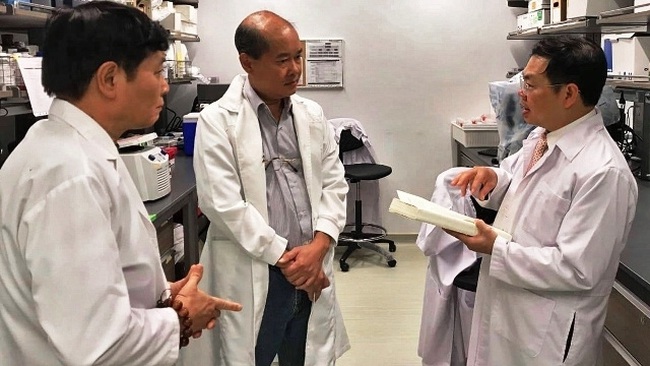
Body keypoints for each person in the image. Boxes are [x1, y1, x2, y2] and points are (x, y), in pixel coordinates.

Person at [0, 2, 241, 365]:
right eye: (158, 71)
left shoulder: (64, 147)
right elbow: (99, 345)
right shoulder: (68, 175)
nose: (164, 86)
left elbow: (84, 294)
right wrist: (182, 318)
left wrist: (160, 296)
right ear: (110, 79)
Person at [447, 36, 638, 366]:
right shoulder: (543, 136)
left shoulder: (602, 171)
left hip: (548, 335)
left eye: (530, 84)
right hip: (511, 311)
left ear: (568, 94)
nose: (521, 92)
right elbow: (516, 177)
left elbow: (577, 270)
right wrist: (495, 178)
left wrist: (495, 247)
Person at [181, 10, 350, 366]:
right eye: (282, 60)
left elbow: (335, 183)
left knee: (300, 352)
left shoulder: (312, 115)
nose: (295, 69)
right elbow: (221, 203)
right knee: (254, 352)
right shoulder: (217, 121)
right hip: (259, 266)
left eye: (298, 56)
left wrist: (319, 245)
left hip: (312, 262)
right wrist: (288, 259)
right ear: (248, 62)